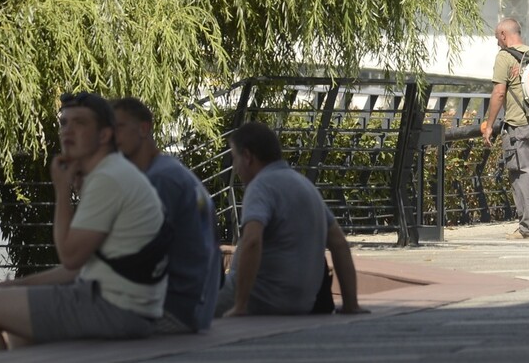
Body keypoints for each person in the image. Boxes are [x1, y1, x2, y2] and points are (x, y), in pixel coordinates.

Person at [0, 92, 168, 353]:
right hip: (130, 305)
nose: (67, 131)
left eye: (80, 123)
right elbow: (81, 268)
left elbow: (71, 257)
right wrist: (19, 284)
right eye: (64, 123)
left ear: (104, 135)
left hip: (116, 308)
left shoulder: (108, 179)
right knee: (21, 326)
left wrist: (62, 191)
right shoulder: (112, 172)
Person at [215, 121, 366, 316]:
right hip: (302, 302)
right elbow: (339, 244)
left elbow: (252, 241)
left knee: (181, 306)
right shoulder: (305, 186)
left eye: (234, 158)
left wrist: (240, 306)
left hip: (259, 297)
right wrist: (350, 304)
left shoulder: (260, 187)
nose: (235, 168)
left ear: (247, 156)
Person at [113, 97, 223, 332]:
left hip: (173, 310)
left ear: (143, 129)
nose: (113, 137)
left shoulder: (160, 181)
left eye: (119, 127)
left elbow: (136, 255)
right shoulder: (173, 172)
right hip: (194, 306)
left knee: (56, 317)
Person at [481, 17, 529, 240]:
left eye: (498, 38)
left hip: (518, 124)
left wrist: (488, 125)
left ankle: (528, 229)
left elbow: (499, 93)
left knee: (523, 173)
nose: (497, 43)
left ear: (504, 35)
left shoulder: (505, 57)